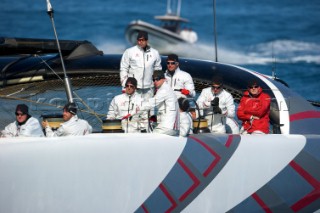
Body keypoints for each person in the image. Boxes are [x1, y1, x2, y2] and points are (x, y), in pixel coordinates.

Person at [122, 70, 180, 136]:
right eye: (153, 80)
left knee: (149, 138)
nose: (155, 82)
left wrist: (131, 113)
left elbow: (150, 104)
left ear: (164, 79)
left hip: (168, 127)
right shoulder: (165, 89)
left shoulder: (164, 90)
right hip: (170, 126)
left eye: (157, 79)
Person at [120, 31, 162, 98]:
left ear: (147, 40)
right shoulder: (129, 52)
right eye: (139, 40)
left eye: (142, 40)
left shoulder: (155, 53)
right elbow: (123, 68)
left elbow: (158, 70)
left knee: (148, 108)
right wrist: (125, 85)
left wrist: (157, 86)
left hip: (149, 88)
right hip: (134, 87)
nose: (140, 42)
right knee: (133, 108)